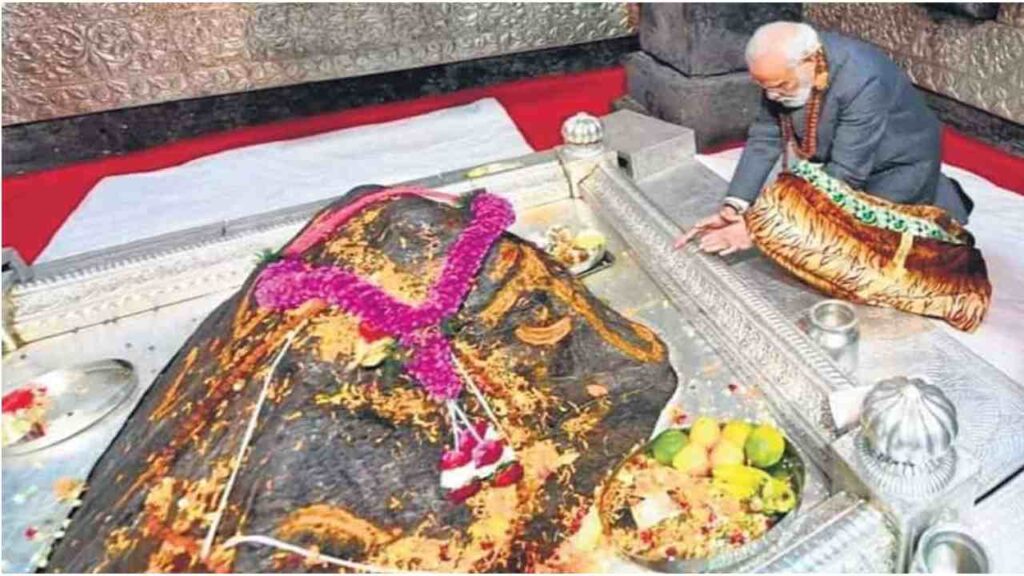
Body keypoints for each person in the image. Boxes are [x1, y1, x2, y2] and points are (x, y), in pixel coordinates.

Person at [676, 21, 973, 255]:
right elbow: (765, 137)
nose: (771, 96)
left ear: (809, 61)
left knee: (846, 248)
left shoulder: (863, 77)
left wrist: (758, 229)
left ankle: (937, 195)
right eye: (764, 87)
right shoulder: (783, 67)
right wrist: (736, 206)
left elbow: (845, 174)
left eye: (780, 86)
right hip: (844, 155)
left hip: (896, 163)